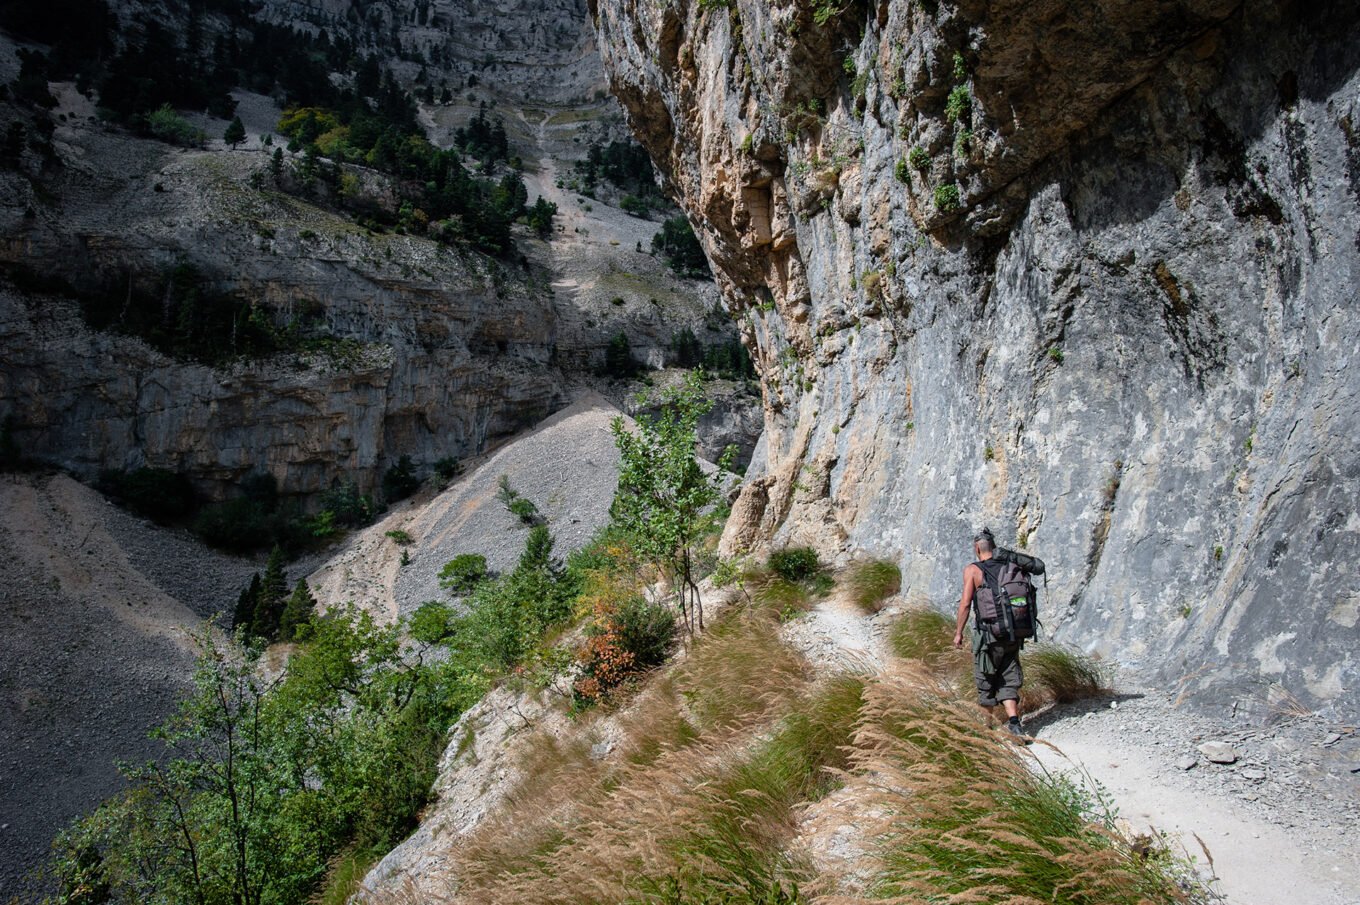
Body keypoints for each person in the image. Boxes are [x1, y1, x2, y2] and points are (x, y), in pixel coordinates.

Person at [952, 527, 1043, 738]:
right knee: (1009, 676)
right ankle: (1014, 723)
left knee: (985, 678)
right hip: (1013, 633)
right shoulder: (1012, 565)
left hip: (988, 636)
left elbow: (965, 604)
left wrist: (958, 632)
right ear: (993, 546)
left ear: (977, 548)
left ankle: (986, 729)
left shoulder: (973, 570)